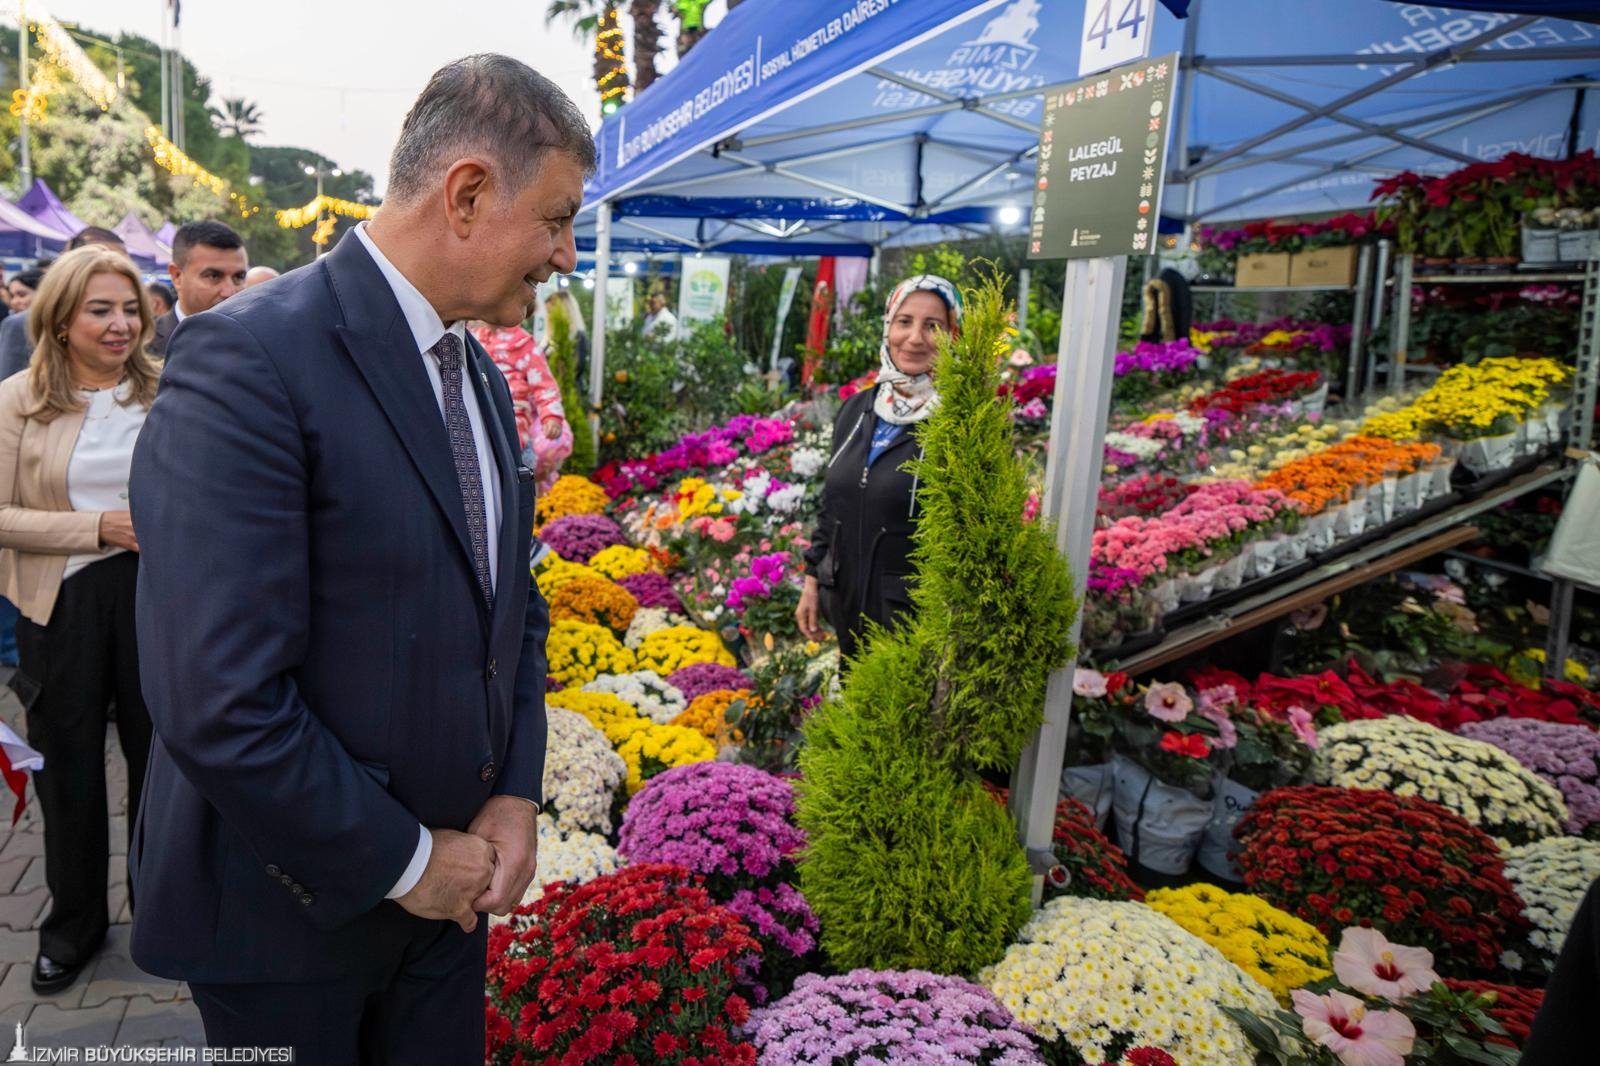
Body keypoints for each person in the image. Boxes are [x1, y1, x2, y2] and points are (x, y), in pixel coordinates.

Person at [128, 53, 588, 1062]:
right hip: (289, 918)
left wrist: (512, 788)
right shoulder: (248, 357)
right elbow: (215, 694)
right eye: (555, 220)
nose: (563, 256)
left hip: (445, 907)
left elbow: (511, 608)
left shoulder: (474, 367)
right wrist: (406, 858)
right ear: (467, 192)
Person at [0, 246, 161, 994]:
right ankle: (73, 928)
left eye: (130, 308)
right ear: (61, 319)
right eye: (101, 309)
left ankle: (163, 917)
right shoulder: (17, 401)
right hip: (59, 602)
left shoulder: (169, 393)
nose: (121, 323)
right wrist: (97, 527)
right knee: (67, 771)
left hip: (157, 600)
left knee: (161, 764)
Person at [797, 275, 961, 660]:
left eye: (933, 326)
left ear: (954, 335)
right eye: (904, 321)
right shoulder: (859, 409)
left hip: (914, 624)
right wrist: (812, 581)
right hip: (849, 604)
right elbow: (832, 506)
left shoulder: (959, 421)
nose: (915, 338)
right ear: (888, 326)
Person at [0, 229, 129, 381]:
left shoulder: (132, 325)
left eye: (123, 264)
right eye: (101, 262)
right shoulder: (22, 325)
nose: (117, 270)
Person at [470, 319, 572, 494]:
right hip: (477, 427)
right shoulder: (472, 337)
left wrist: (551, 415)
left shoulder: (522, 343)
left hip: (514, 432)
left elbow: (543, 383)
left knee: (517, 493)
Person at [150, 221, 248, 356]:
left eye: (239, 277)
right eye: (214, 276)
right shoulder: (141, 344)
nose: (229, 292)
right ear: (177, 276)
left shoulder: (260, 344)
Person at [543, 287, 589, 386]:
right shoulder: (548, 339)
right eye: (548, 312)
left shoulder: (578, 337)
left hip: (568, 391)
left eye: (551, 312)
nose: (549, 317)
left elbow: (576, 369)